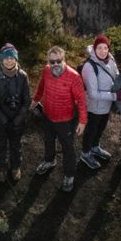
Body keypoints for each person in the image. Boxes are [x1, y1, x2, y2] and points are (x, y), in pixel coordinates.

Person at [32, 45, 87, 191]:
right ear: (48, 61)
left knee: (68, 147)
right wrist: (35, 101)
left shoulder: (74, 76)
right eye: (52, 61)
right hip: (48, 115)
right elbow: (41, 87)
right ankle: (50, 161)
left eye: (58, 61)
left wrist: (82, 121)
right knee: (48, 140)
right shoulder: (46, 70)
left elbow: (81, 100)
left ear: (64, 59)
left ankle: (69, 175)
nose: (55, 64)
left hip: (66, 120)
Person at [0, 43, 32, 181]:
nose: (9, 60)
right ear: (1, 59)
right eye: (6, 58)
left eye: (12, 57)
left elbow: (26, 100)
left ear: (16, 59)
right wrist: (3, 119)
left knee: (15, 145)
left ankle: (15, 167)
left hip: (17, 120)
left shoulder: (23, 76)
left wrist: (18, 119)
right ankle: (1, 167)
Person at [79, 34, 120, 169]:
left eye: (105, 47)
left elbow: (116, 74)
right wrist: (115, 96)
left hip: (106, 105)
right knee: (91, 131)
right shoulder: (89, 67)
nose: (103, 51)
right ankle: (85, 154)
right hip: (94, 107)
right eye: (99, 48)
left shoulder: (111, 59)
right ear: (94, 49)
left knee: (101, 128)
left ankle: (95, 147)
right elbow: (93, 94)